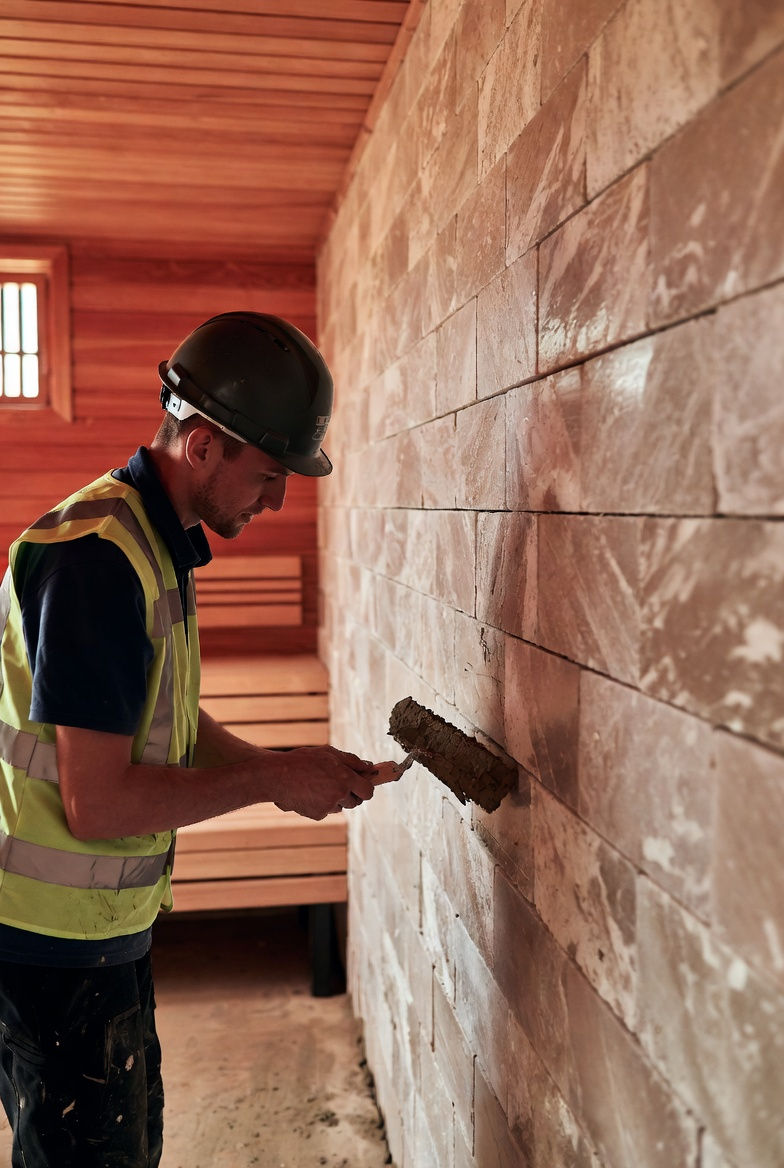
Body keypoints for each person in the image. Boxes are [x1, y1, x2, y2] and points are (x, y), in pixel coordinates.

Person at [0, 311, 393, 1168]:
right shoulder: (98, 561)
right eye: (267, 473)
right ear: (203, 444)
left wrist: (281, 765)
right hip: (48, 943)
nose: (280, 497)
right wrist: (271, 785)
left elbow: (165, 725)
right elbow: (97, 802)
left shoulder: (152, 541)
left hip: (101, 925)